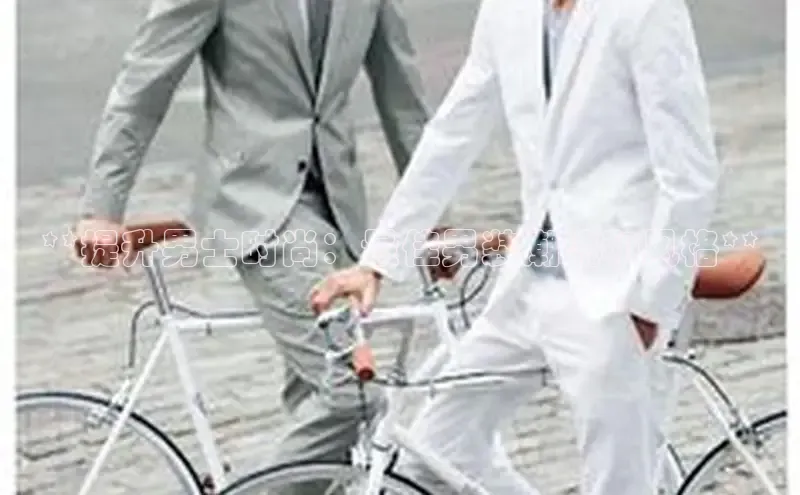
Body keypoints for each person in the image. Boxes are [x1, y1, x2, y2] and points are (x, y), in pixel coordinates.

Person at [309, 0, 721, 493]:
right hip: (526, 284)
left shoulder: (645, 11)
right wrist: (378, 261)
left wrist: (652, 300)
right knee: (435, 455)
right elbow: (454, 131)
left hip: (612, 298)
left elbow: (690, 176)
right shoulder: (508, 9)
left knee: (618, 483)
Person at [72, 0, 432, 493]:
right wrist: (101, 210)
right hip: (258, 208)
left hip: (339, 207)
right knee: (352, 391)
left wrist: (433, 221)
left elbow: (403, 97)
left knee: (321, 412)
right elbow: (144, 83)